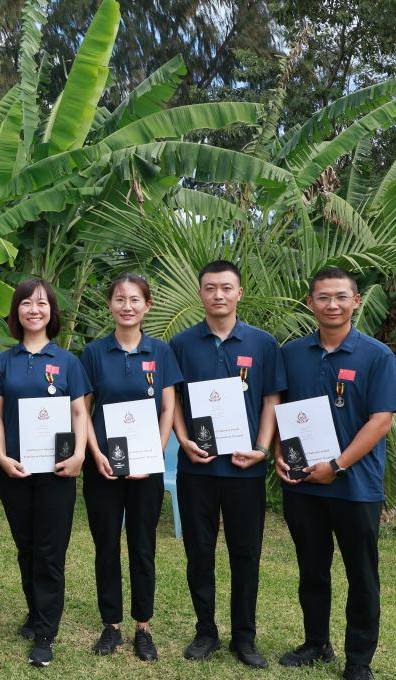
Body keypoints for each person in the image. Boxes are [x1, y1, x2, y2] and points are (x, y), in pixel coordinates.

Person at [276, 267, 396, 680]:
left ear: (356, 301)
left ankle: (358, 659)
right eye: (323, 297)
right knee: (312, 570)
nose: (332, 305)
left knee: (361, 576)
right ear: (310, 302)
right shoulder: (292, 353)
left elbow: (381, 421)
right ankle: (317, 643)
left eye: (341, 297)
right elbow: (280, 409)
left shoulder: (376, 356)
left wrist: (337, 465)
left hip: (356, 487)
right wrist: (279, 452)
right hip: (304, 485)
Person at [169, 260, 285, 669]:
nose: (218, 295)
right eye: (210, 288)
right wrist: (183, 438)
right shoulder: (182, 344)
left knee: (246, 553)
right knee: (199, 552)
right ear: (200, 292)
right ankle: (206, 631)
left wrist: (262, 448)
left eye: (226, 288)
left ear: (239, 293)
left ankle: (244, 637)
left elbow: (271, 399)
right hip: (197, 468)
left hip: (244, 469)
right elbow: (173, 399)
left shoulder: (263, 344)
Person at [0, 278, 91, 667]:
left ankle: (46, 632)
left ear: (52, 312)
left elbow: (79, 412)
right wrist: (0, 455)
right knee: (26, 546)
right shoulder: (4, 362)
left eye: (42, 303)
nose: (34, 309)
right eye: (27, 303)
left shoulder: (67, 362)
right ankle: (34, 612)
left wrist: (79, 454)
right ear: (16, 311)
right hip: (14, 469)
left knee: (50, 551)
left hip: (57, 471)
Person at [80, 274, 181, 660]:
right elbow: (83, 411)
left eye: (135, 299)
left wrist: (153, 454)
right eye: (120, 299)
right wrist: (95, 453)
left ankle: (143, 627)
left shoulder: (161, 352)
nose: (127, 306)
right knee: (106, 545)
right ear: (110, 305)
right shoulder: (94, 353)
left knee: (142, 546)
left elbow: (169, 408)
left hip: (146, 469)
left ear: (147, 305)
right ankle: (111, 626)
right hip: (103, 467)